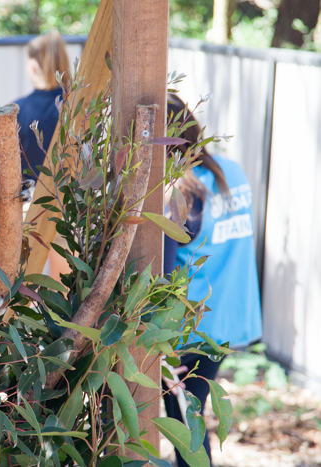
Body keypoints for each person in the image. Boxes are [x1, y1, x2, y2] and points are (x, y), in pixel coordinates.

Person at [162, 94, 263, 467]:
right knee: (192, 412)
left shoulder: (178, 190)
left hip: (189, 329)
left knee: (184, 421)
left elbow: (166, 272)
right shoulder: (230, 171)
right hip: (230, 320)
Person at [14, 30, 70, 181]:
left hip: (30, 201)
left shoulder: (17, 110)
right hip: (75, 199)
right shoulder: (78, 106)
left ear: (33, 66)